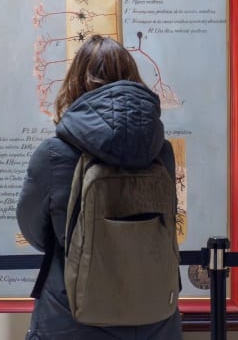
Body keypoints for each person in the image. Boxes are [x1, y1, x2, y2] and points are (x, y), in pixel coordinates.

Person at [17, 35, 182, 340]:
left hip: (72, 316)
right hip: (155, 315)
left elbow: (35, 233)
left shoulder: (53, 154)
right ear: (133, 78)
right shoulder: (162, 152)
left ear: (76, 82)